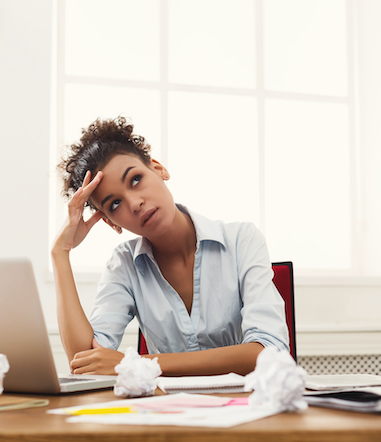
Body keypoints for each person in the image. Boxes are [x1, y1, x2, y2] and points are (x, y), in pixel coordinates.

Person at [52, 116, 288, 376]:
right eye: (115, 204)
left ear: (158, 168)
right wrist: (60, 254)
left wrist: (137, 365)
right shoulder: (124, 264)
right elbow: (85, 362)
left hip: (247, 408)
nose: (134, 203)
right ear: (111, 222)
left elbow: (269, 351)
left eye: (135, 179)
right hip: (168, 411)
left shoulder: (241, 239)